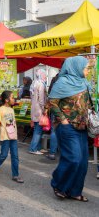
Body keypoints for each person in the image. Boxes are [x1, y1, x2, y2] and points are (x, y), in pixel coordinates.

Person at [48, 56, 91, 202]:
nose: (87, 71)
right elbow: (51, 102)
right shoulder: (62, 82)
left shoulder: (84, 83)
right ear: (76, 67)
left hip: (83, 127)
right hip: (67, 127)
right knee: (74, 159)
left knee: (83, 163)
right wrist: (63, 120)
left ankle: (74, 191)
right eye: (86, 68)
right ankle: (58, 184)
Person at [0, 91, 24, 183]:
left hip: (13, 136)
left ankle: (15, 175)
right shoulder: (1, 109)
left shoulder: (11, 109)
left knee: (15, 156)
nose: (14, 99)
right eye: (12, 97)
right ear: (6, 100)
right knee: (4, 155)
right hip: (5, 136)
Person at [29, 69, 47, 155]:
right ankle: (33, 148)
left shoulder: (34, 83)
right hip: (39, 109)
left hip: (34, 108)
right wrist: (44, 109)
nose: (45, 76)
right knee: (38, 130)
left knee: (37, 128)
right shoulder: (41, 84)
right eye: (44, 75)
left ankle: (38, 147)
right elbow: (41, 99)